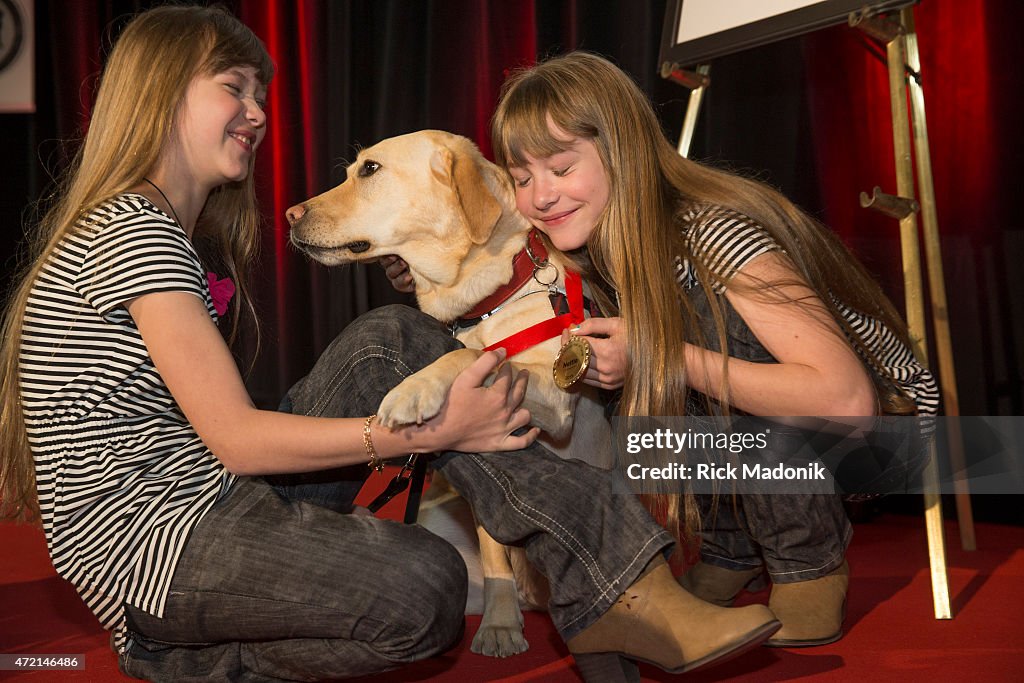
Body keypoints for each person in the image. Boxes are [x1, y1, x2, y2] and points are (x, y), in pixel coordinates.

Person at [0, 9, 782, 682]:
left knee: (400, 338)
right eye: (232, 87)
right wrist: (424, 433)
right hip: (162, 549)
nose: (258, 111)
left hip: (209, 499)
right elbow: (235, 438)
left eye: (262, 93)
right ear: (161, 95)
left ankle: (618, 584)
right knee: (427, 590)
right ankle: (180, 655)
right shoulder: (135, 227)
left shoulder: (159, 228)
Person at [388, 50, 938, 648]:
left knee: (698, 336)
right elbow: (494, 266)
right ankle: (731, 549)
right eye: (522, 180)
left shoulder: (711, 231)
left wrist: (658, 354)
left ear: (622, 152)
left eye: (562, 168)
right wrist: (423, 267)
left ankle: (808, 566)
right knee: (631, 385)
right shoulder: (588, 250)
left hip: (882, 435)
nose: (541, 196)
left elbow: (846, 398)